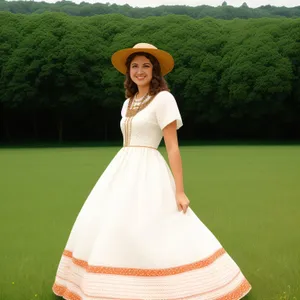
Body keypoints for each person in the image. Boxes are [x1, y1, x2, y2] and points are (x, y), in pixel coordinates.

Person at [52, 43, 251, 300]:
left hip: (149, 170)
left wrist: (180, 191)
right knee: (112, 224)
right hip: (122, 168)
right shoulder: (128, 103)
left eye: (146, 65)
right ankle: (112, 288)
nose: (140, 70)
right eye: (135, 66)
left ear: (155, 71)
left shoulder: (164, 99)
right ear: (128, 72)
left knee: (158, 226)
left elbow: (173, 148)